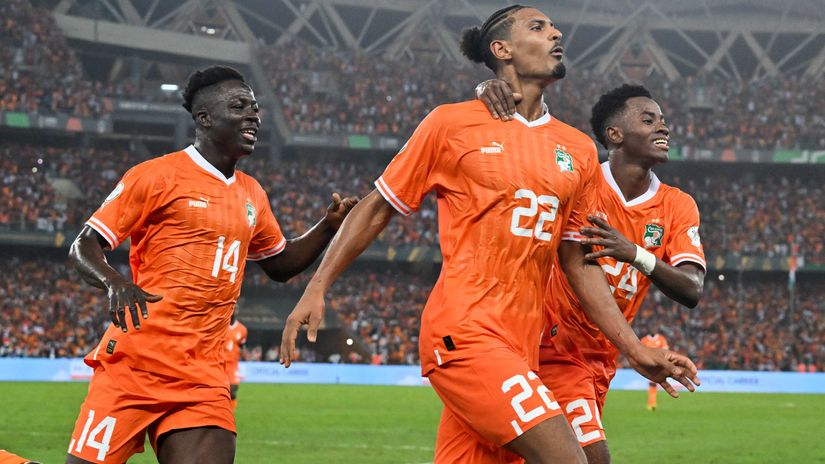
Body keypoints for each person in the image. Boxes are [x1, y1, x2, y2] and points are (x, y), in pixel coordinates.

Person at [280, 6, 698, 463]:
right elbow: (379, 206)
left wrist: (633, 350)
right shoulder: (450, 124)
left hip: (523, 349)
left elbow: (577, 260)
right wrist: (317, 286)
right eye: (538, 27)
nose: (556, 33)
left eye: (553, 27)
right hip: (465, 333)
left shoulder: (577, 149)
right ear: (502, 49)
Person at [65, 65, 357, 464]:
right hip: (135, 367)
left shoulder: (252, 193)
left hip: (202, 375)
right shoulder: (156, 176)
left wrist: (328, 227)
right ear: (204, 118)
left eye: (255, 108)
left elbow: (280, 264)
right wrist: (113, 281)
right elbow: (84, 244)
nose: (253, 115)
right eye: (239, 106)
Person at [478, 83, 705, 463]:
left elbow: (692, 289)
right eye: (648, 119)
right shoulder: (580, 182)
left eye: (663, 120)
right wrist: (489, 88)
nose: (663, 127)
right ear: (615, 134)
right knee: (591, 458)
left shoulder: (677, 206)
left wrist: (635, 254)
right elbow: (523, 141)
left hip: (602, 358)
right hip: (553, 347)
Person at [641, 330, 670, 411]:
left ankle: (652, 403)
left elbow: (666, 350)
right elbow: (640, 352)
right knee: (652, 384)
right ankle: (652, 403)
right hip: (648, 364)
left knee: (653, 384)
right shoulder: (644, 340)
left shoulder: (661, 339)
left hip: (658, 364)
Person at [225, 310, 248, 411]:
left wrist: (244, 354)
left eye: (236, 308)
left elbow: (242, 345)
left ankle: (230, 413)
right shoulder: (221, 326)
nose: (234, 310)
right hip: (219, 364)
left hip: (233, 365)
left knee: (232, 391)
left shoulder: (242, 329)